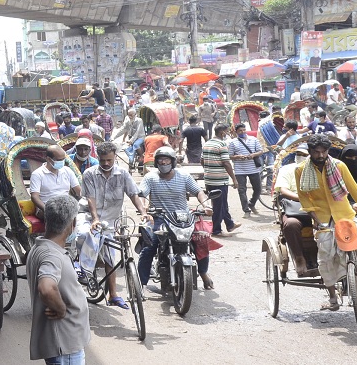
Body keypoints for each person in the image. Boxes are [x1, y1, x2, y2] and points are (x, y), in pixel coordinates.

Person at [296, 134, 357, 310]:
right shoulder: (301, 170)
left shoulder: (339, 166)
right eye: (317, 152)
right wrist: (316, 221)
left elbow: (356, 192)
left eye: (324, 152)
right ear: (310, 152)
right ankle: (333, 298)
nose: (321, 155)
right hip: (322, 218)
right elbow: (305, 200)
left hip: (345, 215)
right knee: (325, 258)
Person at [79, 142, 148, 308]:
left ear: (115, 157)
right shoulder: (90, 173)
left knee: (112, 254)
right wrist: (94, 219)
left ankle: (113, 295)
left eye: (109, 160)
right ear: (98, 158)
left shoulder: (123, 174)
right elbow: (91, 199)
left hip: (110, 220)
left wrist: (143, 212)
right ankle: (83, 268)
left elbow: (133, 194)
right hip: (88, 216)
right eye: (102, 160)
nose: (106, 163)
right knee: (83, 235)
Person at [138, 147, 215, 290]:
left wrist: (206, 205)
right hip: (160, 218)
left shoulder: (184, 176)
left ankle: (203, 273)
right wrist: (144, 210)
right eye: (160, 160)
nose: (163, 163)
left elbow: (199, 191)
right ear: (156, 162)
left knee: (201, 241)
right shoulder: (150, 177)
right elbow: (142, 195)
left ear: (172, 161)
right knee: (149, 246)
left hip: (183, 219)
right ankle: (141, 284)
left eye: (166, 160)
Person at [26, 195, 90, 364]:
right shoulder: (51, 255)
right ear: (72, 223)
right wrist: (61, 309)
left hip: (64, 344)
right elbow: (46, 288)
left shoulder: (41, 247)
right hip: (65, 345)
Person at [274, 144, 317, 276]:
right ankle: (299, 257)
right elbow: (282, 189)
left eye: (304, 155)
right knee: (291, 224)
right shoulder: (287, 169)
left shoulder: (318, 168)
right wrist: (301, 198)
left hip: (318, 205)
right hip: (295, 206)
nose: (301, 157)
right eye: (299, 154)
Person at [202, 124, 241, 236]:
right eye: (227, 131)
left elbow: (202, 160)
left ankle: (230, 224)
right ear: (222, 132)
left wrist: (209, 170)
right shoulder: (222, 144)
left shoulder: (207, 143)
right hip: (219, 180)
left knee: (221, 203)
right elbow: (226, 163)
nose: (227, 133)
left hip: (209, 178)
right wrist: (234, 179)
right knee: (219, 205)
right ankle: (216, 230)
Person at [29, 145, 81, 220]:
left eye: (63, 159)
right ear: (48, 159)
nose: (62, 162)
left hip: (66, 206)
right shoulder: (37, 174)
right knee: (61, 218)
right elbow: (34, 197)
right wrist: (46, 209)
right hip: (46, 208)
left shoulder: (67, 170)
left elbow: (78, 190)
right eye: (59, 160)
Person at [228, 123, 264, 217]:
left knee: (258, 189)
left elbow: (260, 151)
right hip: (240, 170)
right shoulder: (233, 142)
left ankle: (251, 203)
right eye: (240, 131)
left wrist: (253, 155)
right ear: (236, 132)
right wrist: (238, 157)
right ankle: (246, 210)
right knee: (242, 190)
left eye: (244, 130)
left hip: (254, 169)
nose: (242, 132)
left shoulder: (254, 139)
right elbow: (230, 156)